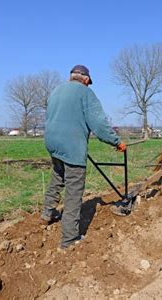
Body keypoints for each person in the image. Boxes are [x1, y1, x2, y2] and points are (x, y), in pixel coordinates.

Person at [43, 64, 126, 249]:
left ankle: (47, 213)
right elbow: (99, 124)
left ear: (70, 77)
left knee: (57, 176)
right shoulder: (86, 93)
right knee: (74, 189)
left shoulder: (56, 90)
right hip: (71, 145)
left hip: (51, 142)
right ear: (86, 80)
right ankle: (69, 239)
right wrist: (117, 142)